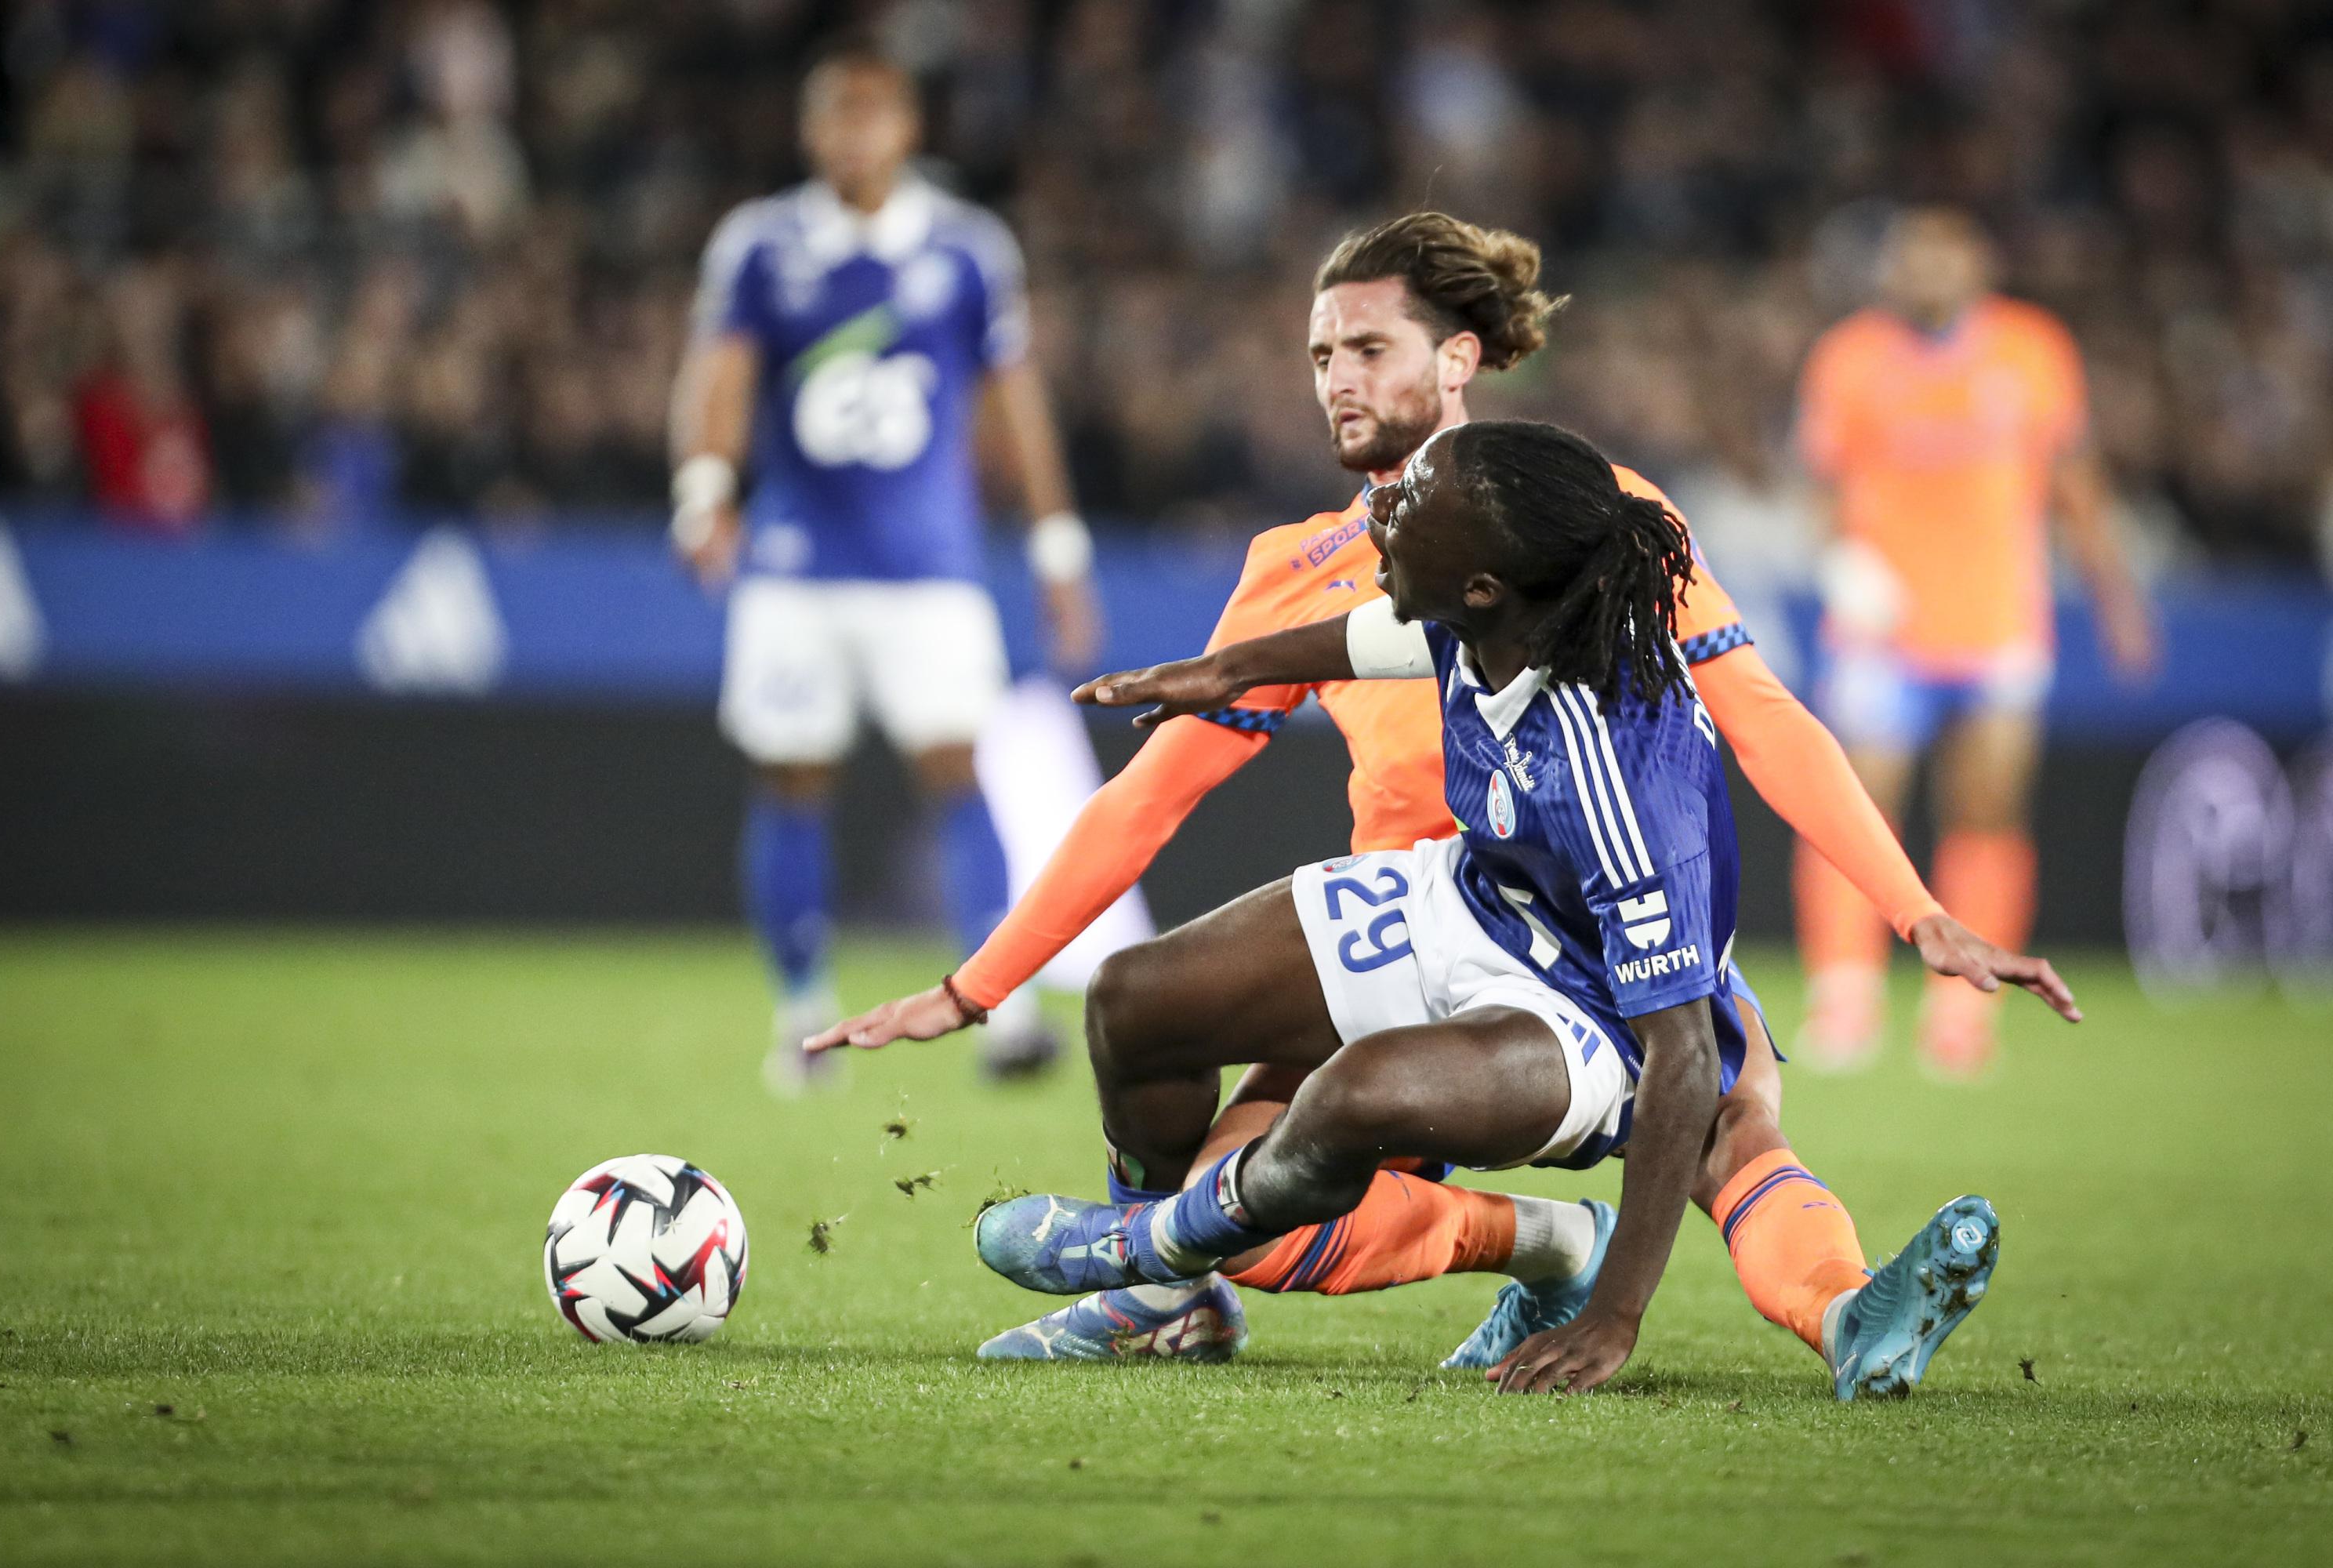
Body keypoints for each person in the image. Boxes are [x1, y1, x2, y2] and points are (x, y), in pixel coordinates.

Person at [807, 212, 2068, 1365]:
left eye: (1367, 345)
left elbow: (1763, 719)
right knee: (1217, 1159)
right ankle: (1489, 1244)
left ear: (1459, 358)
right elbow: (1145, 802)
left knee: (1730, 1118)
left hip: (1598, 936)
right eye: (1318, 355)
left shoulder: (1600, 523)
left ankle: (1849, 1314)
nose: (1336, 379)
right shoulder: (1303, 564)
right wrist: (978, 986)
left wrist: (1916, 911)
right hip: (1413, 933)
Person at [970, 421, 2053, 1398]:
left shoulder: (1616, 770)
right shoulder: (1482, 619)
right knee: (1134, 997)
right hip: (1478, 899)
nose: (1383, 507)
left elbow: (1678, 1050)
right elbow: (1362, 640)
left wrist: (1616, 1317)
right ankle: (1185, 1287)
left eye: (1413, 500)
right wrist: (1225, 672)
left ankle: (1146, 1256)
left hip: (1598, 1010)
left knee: (1352, 1099)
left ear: (1483, 582)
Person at [669, 43, 1101, 1088]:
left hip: (929, 565)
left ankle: (1000, 1013)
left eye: (872, 114)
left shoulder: (965, 248)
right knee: (791, 778)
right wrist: (704, 491)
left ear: (906, 129)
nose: (852, 134)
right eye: (835, 115)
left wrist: (1055, 543)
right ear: (812, 130)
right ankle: (803, 1013)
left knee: (962, 771)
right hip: (797, 564)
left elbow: (1015, 397)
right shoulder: (764, 245)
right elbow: (718, 374)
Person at [1794, 206, 2156, 1077]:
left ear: (1977, 265)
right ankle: (1845, 993)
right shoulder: (1849, 356)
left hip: (1997, 623)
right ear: (1891, 270)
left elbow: (2073, 482)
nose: (1925, 273)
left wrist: (2117, 602)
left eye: (1942, 258)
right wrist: (1841, 563)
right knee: (1859, 808)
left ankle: (1964, 1005)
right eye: (1910, 258)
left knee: (1986, 808)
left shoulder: (2032, 349)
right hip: (1885, 631)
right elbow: (1820, 481)